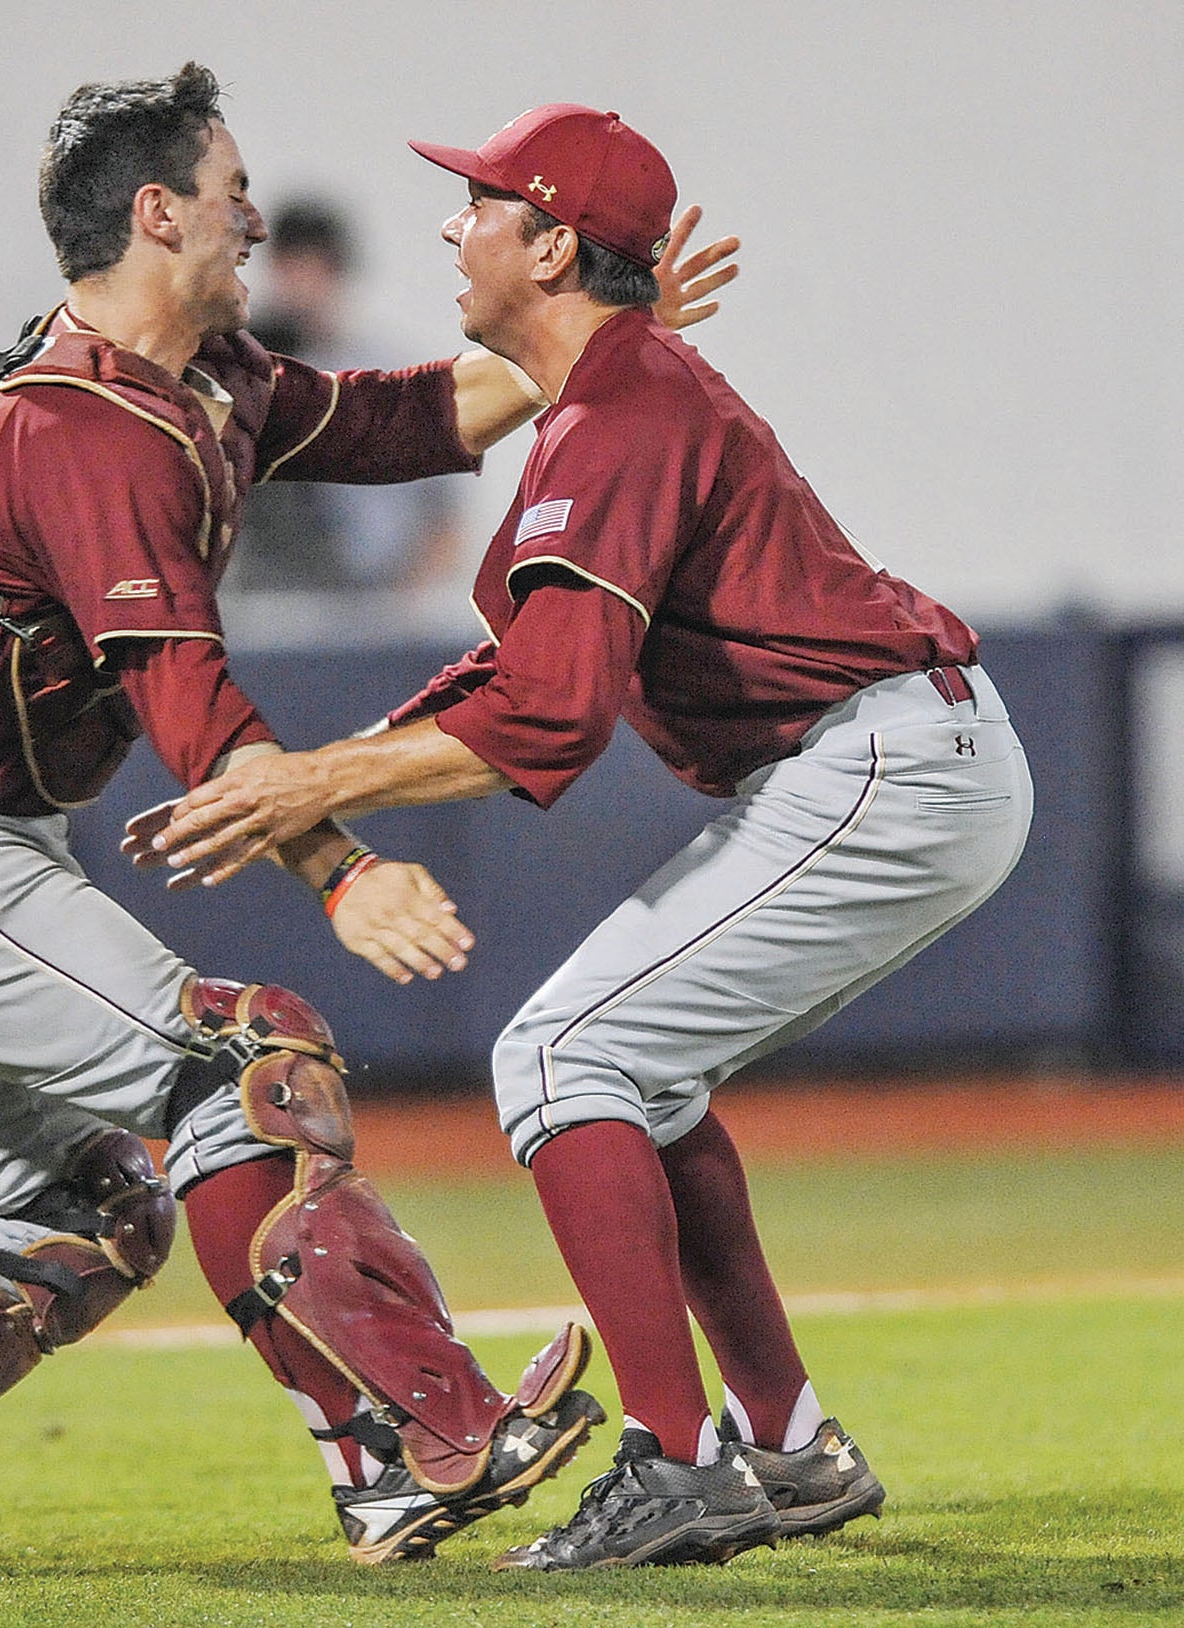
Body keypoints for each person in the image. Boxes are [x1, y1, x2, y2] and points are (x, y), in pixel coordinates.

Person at [0, 66, 734, 1578]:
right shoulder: (80, 425)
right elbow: (187, 706)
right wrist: (337, 870)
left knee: (88, 1211)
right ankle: (408, 1444)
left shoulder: (201, 381)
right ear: (156, 213)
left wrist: (599, 332)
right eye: (227, 190)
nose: (252, 213)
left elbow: (409, 419)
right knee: (247, 1061)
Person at [140, 101, 1034, 1571]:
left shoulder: (620, 412)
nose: (451, 225)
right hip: (890, 752)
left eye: (481, 203)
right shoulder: (610, 395)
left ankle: (680, 1465)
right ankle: (784, 1443)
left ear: (550, 243)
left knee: (564, 1058)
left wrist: (307, 789)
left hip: (885, 760)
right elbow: (519, 675)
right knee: (637, 1071)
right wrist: (320, 775)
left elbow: (547, 719)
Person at [227, 198, 468, 593]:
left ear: (338, 271)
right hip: (274, 594)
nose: (304, 283)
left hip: (374, 597)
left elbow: (445, 514)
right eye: (292, 266)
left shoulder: (391, 375)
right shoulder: (246, 370)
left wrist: (402, 603)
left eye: (317, 268)